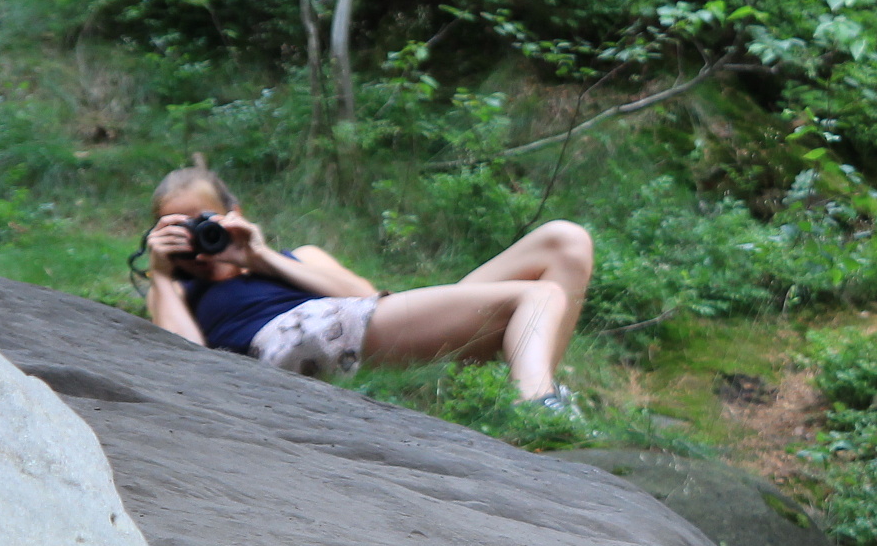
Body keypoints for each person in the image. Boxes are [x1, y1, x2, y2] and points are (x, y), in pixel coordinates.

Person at [139, 164, 594, 410]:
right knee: (537, 297)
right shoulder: (177, 294)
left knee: (565, 241)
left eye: (203, 220)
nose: (196, 236)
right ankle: (537, 404)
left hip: (352, 326)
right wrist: (161, 274)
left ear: (234, 213)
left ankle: (531, 395)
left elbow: (366, 297)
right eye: (177, 226)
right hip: (293, 337)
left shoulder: (298, 257)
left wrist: (260, 257)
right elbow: (185, 358)